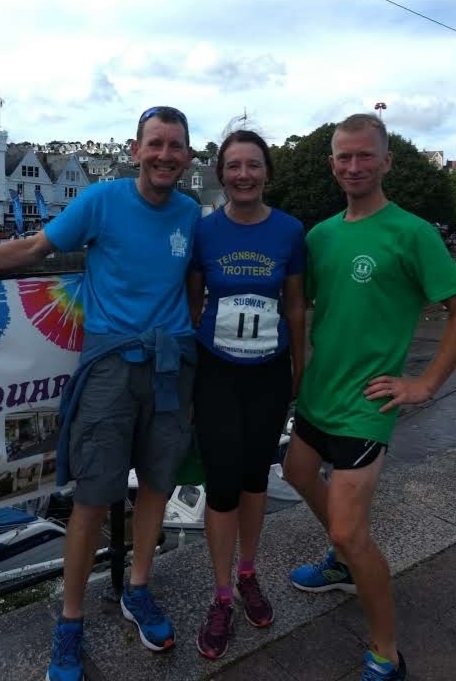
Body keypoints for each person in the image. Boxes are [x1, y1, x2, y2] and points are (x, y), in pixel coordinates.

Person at [0, 106, 199, 681]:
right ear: (135, 150)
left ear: (187, 156)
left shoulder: (192, 212)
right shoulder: (101, 201)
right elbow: (36, 248)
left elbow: (194, 287)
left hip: (171, 367)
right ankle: (70, 622)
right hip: (112, 366)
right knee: (93, 495)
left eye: (176, 146)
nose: (165, 155)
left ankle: (137, 587)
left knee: (159, 484)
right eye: (155, 144)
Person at [283, 113, 456, 681]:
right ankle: (343, 563)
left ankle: (385, 653)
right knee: (297, 473)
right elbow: (305, 308)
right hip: (318, 395)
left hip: (366, 406)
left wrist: (424, 384)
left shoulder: (412, 232)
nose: (353, 166)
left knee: (349, 527)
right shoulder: (320, 235)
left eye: (364, 155)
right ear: (331, 164)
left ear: (386, 160)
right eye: (343, 157)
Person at [188, 129, 306, 660]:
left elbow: (296, 307)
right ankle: (220, 596)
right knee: (222, 483)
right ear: (221, 173)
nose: (243, 175)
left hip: (268, 373)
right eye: (233, 166)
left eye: (253, 165)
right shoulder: (204, 231)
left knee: (257, 477)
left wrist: (299, 369)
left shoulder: (289, 231)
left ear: (267, 172)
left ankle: (248, 572)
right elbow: (194, 305)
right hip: (217, 372)